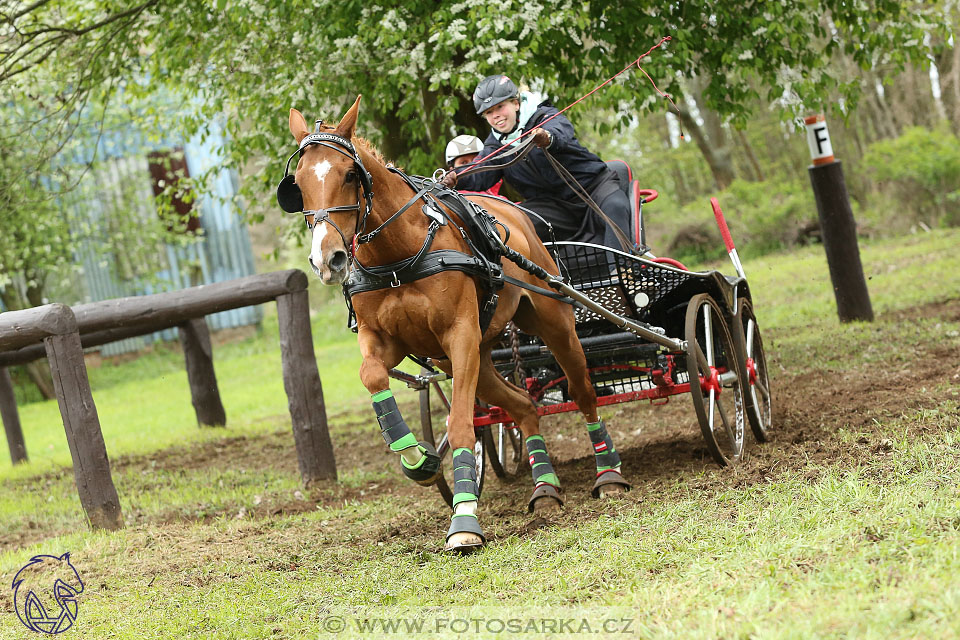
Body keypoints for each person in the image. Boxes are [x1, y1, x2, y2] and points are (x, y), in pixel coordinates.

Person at [444, 75, 632, 250]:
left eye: (500, 107)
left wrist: (547, 138)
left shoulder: (544, 116)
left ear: (516, 104)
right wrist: (455, 178)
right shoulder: (494, 146)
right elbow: (480, 172)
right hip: (555, 208)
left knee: (616, 205)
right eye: (489, 112)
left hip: (594, 190)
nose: (496, 116)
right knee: (513, 223)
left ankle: (624, 274)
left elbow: (561, 131)